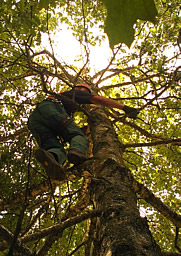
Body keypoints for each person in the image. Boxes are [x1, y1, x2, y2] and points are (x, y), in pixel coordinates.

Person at [28, 83, 138, 180]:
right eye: (86, 91)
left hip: (35, 120)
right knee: (77, 136)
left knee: (53, 146)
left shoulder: (63, 97)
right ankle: (77, 152)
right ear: (78, 88)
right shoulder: (75, 93)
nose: (86, 94)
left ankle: (53, 157)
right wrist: (124, 108)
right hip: (51, 109)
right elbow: (99, 100)